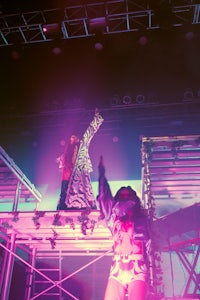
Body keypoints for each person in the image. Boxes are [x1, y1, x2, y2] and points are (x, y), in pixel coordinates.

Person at [97, 156, 150, 300]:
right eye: (122, 195)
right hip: (117, 267)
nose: (125, 198)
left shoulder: (141, 218)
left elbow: (150, 241)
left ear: (133, 199)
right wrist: (101, 174)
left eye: (128, 196)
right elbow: (104, 197)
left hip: (137, 266)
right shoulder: (113, 215)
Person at [57, 109, 104, 210]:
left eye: (74, 137)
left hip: (79, 171)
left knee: (83, 190)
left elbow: (90, 132)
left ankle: (85, 207)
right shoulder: (67, 150)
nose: (72, 139)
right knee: (65, 193)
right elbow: (63, 160)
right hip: (67, 175)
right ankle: (64, 208)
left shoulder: (82, 145)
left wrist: (97, 119)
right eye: (71, 138)